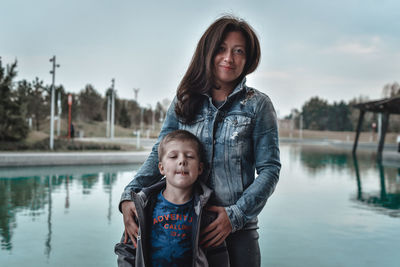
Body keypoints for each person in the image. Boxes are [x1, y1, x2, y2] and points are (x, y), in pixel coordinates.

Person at [120, 15, 281, 267]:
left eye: (238, 51)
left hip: (238, 232)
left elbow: (270, 170)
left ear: (248, 59)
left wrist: (234, 216)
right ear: (208, 52)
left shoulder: (258, 105)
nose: (229, 58)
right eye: (221, 49)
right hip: (184, 222)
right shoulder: (185, 100)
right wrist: (129, 194)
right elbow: (160, 153)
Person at [115, 130, 229, 267]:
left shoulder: (206, 212)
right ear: (161, 168)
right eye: (174, 156)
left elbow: (218, 256)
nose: (182, 161)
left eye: (190, 156)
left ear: (200, 168)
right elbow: (126, 251)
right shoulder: (143, 207)